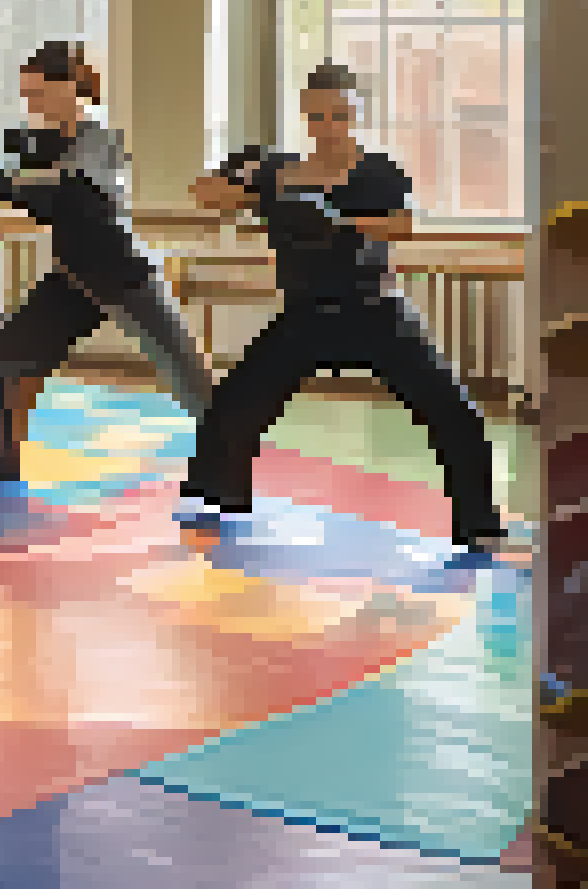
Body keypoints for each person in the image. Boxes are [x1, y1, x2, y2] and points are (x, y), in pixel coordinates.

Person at [181, 61, 515, 556]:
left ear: (357, 115)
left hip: (374, 309)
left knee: (454, 410)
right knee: (234, 400)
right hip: (305, 314)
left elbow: (401, 227)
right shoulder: (277, 170)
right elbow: (203, 196)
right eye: (319, 117)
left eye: (340, 116)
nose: (329, 127)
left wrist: (338, 219)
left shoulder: (378, 170)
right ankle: (217, 499)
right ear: (306, 115)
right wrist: (254, 172)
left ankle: (480, 524)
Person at [0, 41, 212, 489]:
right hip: (73, 280)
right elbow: (46, 201)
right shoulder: (48, 141)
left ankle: (228, 457)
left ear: (68, 88)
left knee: (187, 372)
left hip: (123, 276)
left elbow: (68, 191)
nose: (30, 103)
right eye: (25, 94)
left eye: (36, 92)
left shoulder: (97, 135)